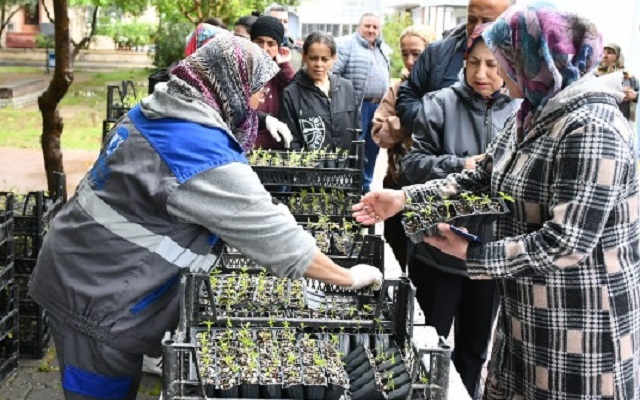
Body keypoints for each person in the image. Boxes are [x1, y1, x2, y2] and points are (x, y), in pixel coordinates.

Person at [28, 28, 383, 399]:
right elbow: (278, 239)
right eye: (256, 86)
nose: (262, 98)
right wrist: (347, 278)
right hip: (94, 299)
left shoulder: (160, 110)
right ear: (227, 84)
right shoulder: (194, 149)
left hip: (86, 268)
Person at [353, 3, 640, 399]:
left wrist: (475, 255)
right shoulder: (532, 114)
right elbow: (481, 178)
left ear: (539, 60)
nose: (500, 72)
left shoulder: (591, 126)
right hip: (524, 320)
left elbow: (567, 243)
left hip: (578, 333)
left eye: (507, 60)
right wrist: (404, 198)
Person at [404, 23, 519, 398]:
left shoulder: (522, 111)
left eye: (492, 64)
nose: (482, 74)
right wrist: (463, 165)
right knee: (424, 347)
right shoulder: (439, 103)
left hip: (488, 256)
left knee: (474, 352)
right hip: (437, 248)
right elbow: (414, 164)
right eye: (473, 63)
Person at [371, 24, 435, 271]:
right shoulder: (397, 89)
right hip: (397, 181)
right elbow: (380, 135)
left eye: (416, 54)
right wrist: (402, 124)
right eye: (405, 53)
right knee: (398, 248)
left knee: (426, 255)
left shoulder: (445, 90)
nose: (410, 61)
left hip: (432, 188)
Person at [395, 0, 513, 131]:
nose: (476, 27)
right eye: (472, 19)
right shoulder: (437, 53)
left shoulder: (521, 60)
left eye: (486, 21)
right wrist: (434, 125)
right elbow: (407, 97)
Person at [333, 12, 390, 191]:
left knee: (372, 149)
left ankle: (365, 186)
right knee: (353, 148)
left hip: (378, 107)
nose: (371, 30)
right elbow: (333, 74)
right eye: (368, 26)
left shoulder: (382, 48)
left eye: (375, 27)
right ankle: (348, 187)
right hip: (357, 106)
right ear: (359, 27)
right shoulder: (346, 44)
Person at [280, 31, 359, 151]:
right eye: (313, 58)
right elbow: (292, 141)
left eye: (325, 59)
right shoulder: (291, 94)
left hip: (345, 166)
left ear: (334, 58)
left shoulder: (346, 88)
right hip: (310, 167)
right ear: (304, 57)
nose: (318, 64)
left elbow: (356, 133)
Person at [250, 16, 296, 150]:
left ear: (279, 47)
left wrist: (284, 65)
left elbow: (293, 89)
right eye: (259, 42)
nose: (264, 48)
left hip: (276, 148)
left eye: (271, 44)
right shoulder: (240, 70)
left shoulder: (280, 73)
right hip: (247, 148)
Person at [595, 43, 639, 124]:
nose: (605, 56)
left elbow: (637, 91)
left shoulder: (628, 76)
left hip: (621, 122)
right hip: (598, 119)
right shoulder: (594, 75)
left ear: (618, 56)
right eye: (603, 52)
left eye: (609, 52)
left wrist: (635, 95)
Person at [265, 3, 303, 71]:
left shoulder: (298, 53)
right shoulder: (257, 50)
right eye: (278, 21)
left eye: (285, 21)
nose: (283, 26)